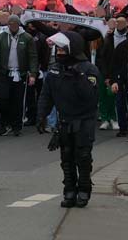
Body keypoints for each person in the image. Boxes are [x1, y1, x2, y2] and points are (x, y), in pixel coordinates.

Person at [36, 31, 100, 208]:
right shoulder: (55, 69)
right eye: (58, 50)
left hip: (84, 120)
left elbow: (91, 97)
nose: (59, 53)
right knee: (66, 158)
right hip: (64, 120)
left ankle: (84, 190)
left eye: (63, 50)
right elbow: (46, 94)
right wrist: (41, 115)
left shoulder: (88, 69)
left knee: (83, 156)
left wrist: (78, 76)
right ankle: (69, 191)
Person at [0, 14, 38, 136]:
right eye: (10, 24)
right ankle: (5, 123)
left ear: (19, 25)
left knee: (18, 101)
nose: (13, 26)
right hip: (4, 73)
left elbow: (33, 57)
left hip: (20, 74)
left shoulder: (27, 38)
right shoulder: (1, 37)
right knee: (3, 100)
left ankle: (17, 126)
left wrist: (33, 74)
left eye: (15, 24)